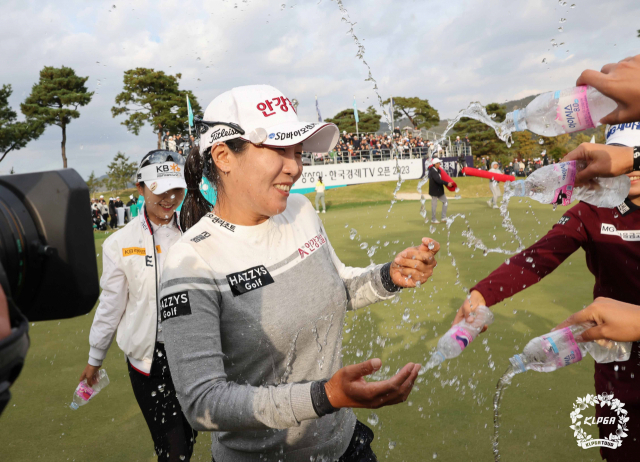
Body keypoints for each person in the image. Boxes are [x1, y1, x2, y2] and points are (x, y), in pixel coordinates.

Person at [160, 84, 439, 462]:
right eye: (279, 150)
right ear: (224, 156)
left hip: (346, 445)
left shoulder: (301, 209)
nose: (295, 166)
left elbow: (336, 287)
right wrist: (325, 397)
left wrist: (390, 275)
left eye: (298, 152)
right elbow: (203, 401)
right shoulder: (189, 260)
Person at [453, 123, 640, 462]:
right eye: (624, 162)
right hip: (617, 362)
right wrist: (481, 294)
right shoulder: (592, 210)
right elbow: (537, 259)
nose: (632, 172)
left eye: (635, 160)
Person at [80, 150, 196, 461]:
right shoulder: (119, 243)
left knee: (186, 439)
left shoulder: (195, 232)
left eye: (176, 189)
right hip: (149, 363)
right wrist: (95, 358)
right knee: (173, 452)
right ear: (140, 188)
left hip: (193, 355)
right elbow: (110, 305)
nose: (170, 198)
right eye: (160, 190)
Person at [428, 158, 451, 224]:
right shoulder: (433, 171)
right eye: (438, 163)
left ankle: (443, 217)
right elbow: (438, 180)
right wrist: (447, 183)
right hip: (434, 191)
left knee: (445, 201)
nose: (439, 164)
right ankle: (433, 219)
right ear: (435, 164)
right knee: (434, 205)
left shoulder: (437, 170)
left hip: (439, 190)